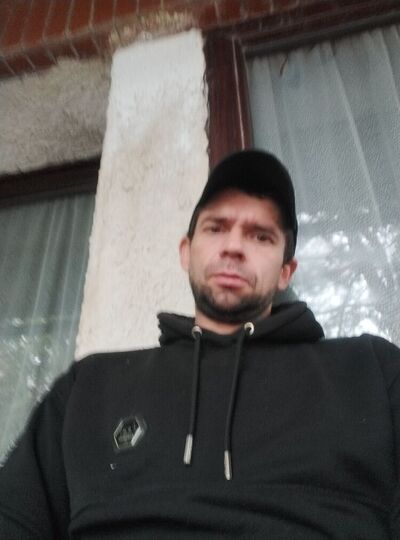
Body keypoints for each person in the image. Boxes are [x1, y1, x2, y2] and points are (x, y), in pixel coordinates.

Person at [0, 149, 400, 539]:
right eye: (216, 228)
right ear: (186, 253)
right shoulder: (90, 387)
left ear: (285, 271)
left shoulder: (370, 372)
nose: (234, 246)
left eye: (261, 236)